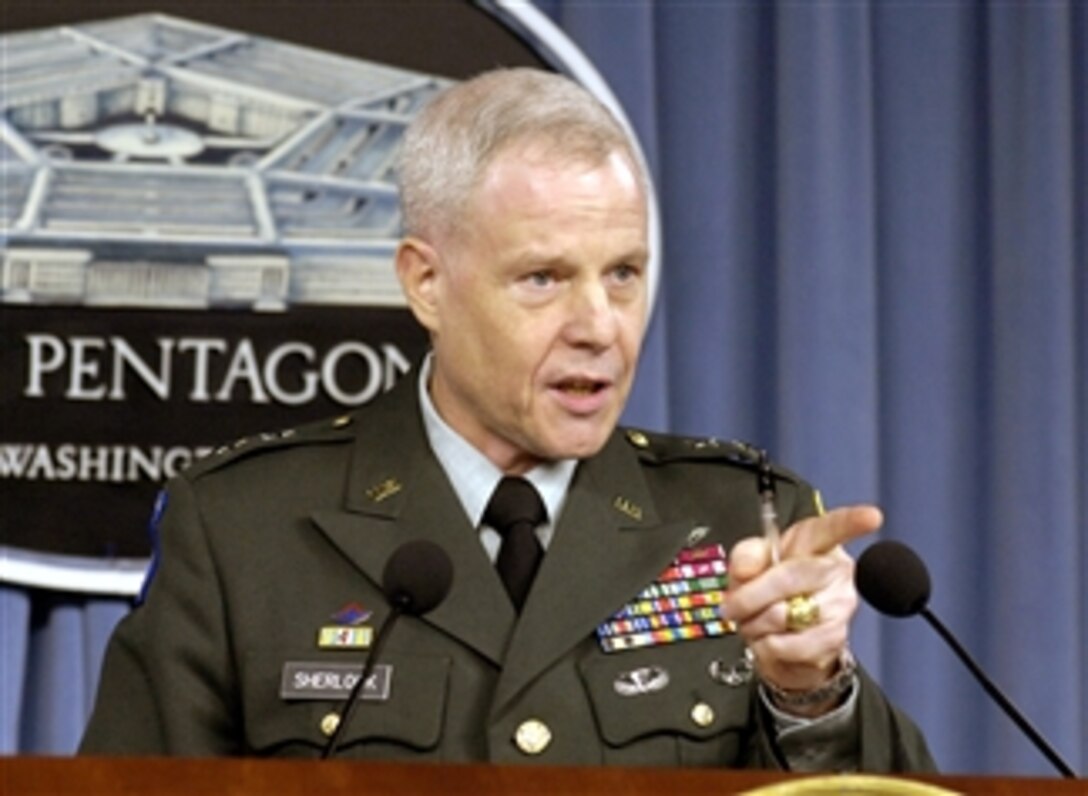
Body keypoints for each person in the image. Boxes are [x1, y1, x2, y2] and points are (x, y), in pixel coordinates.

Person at [80, 67, 933, 770]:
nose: (600, 325)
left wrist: (810, 690)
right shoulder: (243, 529)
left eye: (625, 274)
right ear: (426, 283)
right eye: (543, 278)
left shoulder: (743, 521)